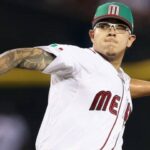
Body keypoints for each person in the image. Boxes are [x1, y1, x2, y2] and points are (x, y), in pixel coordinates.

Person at [0, 1, 150, 150]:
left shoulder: (121, 79)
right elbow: (18, 56)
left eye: (120, 28)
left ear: (130, 40)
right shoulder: (77, 58)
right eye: (104, 26)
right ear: (92, 35)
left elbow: (123, 85)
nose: (111, 32)